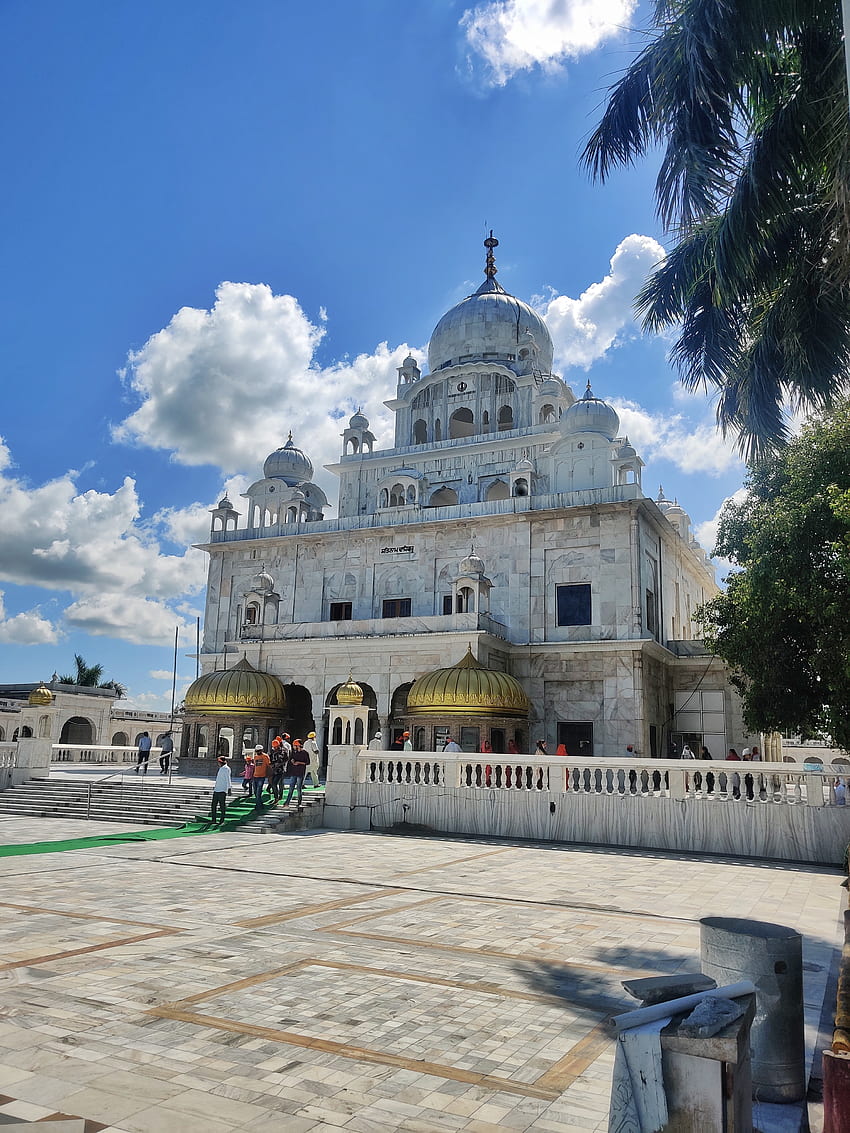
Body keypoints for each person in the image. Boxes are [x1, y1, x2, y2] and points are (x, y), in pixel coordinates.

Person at [282, 740, 308, 807]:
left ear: (298, 746)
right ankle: (287, 802)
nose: (293, 747)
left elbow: (307, 762)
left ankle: (299, 803)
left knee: (299, 788)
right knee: (291, 788)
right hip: (294, 772)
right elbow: (292, 759)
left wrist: (299, 762)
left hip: (300, 772)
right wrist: (292, 761)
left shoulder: (305, 753)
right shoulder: (294, 753)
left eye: (294, 745)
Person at [210, 755, 231, 824]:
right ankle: (214, 819)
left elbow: (228, 779)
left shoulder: (226, 769)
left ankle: (222, 820)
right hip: (216, 790)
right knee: (213, 805)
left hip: (222, 790)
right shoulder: (221, 768)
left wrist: (229, 788)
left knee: (222, 806)